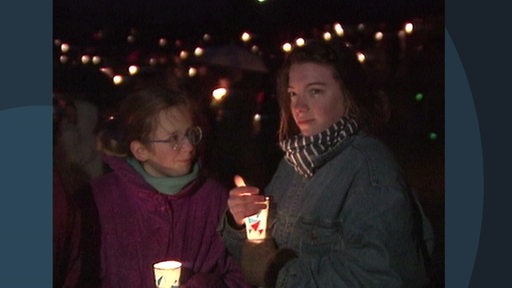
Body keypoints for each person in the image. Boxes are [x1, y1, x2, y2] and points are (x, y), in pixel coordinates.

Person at [220, 40, 433, 287]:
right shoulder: (295, 160)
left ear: (348, 94)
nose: (298, 107)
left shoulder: (370, 171)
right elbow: (260, 250)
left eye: (315, 91)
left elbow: (380, 276)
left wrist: (277, 273)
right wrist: (241, 221)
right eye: (293, 94)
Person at [91, 85, 251, 288]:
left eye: (191, 134)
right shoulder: (98, 200)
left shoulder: (216, 199)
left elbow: (241, 276)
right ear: (141, 150)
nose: (190, 147)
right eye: (173, 139)